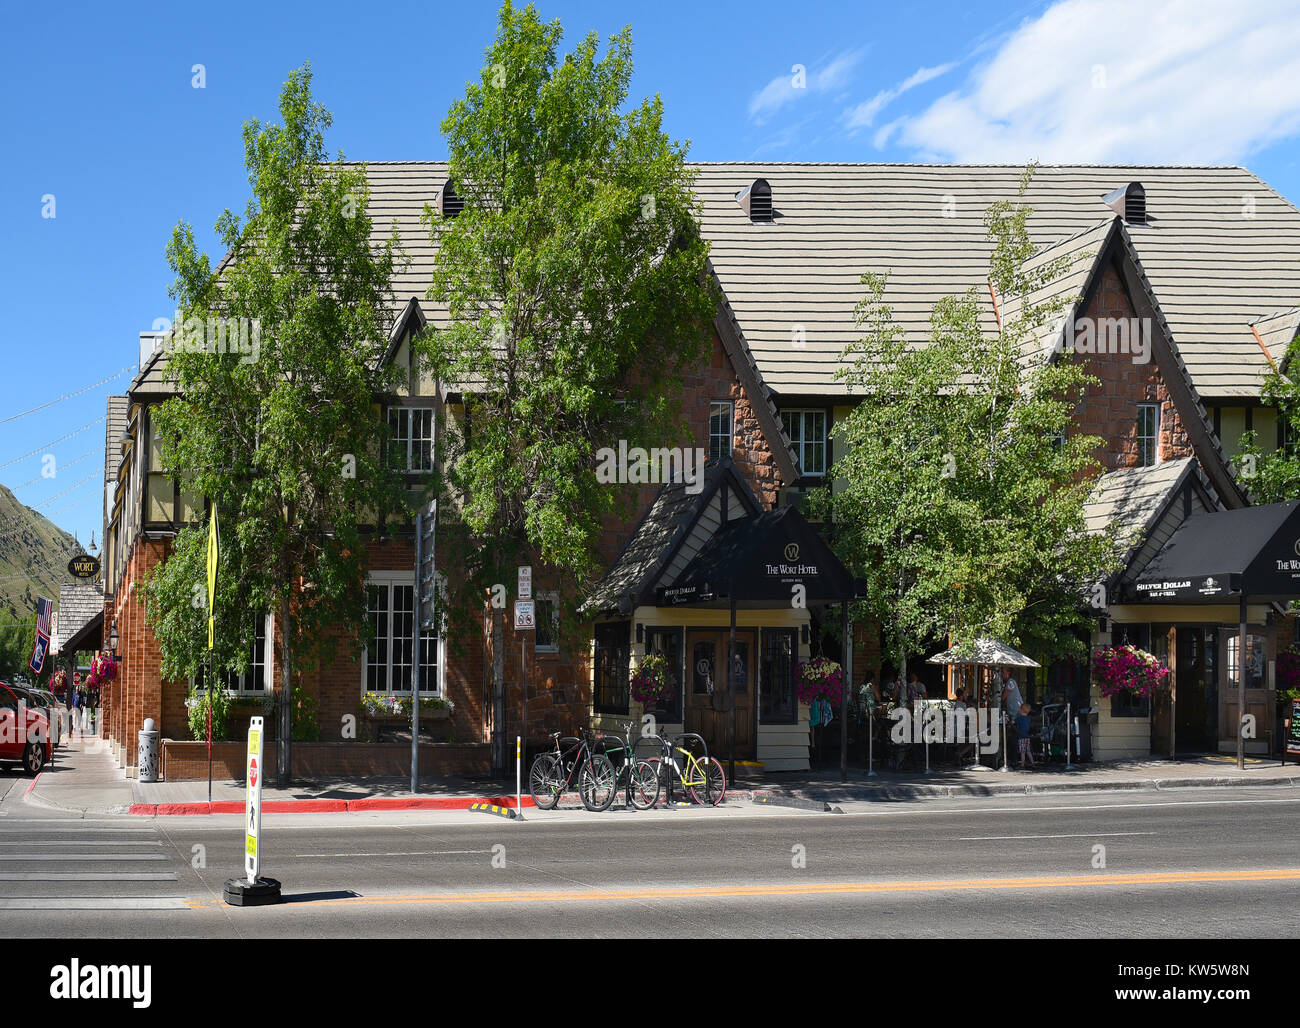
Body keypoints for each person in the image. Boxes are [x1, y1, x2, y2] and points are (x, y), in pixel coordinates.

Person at [1016, 703, 1035, 768]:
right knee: (1028, 751)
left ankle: (1022, 764)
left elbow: (1014, 722)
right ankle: (1033, 763)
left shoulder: (1019, 718)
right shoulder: (1028, 718)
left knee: (1022, 752)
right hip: (1027, 737)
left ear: (1021, 710)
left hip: (1021, 737)